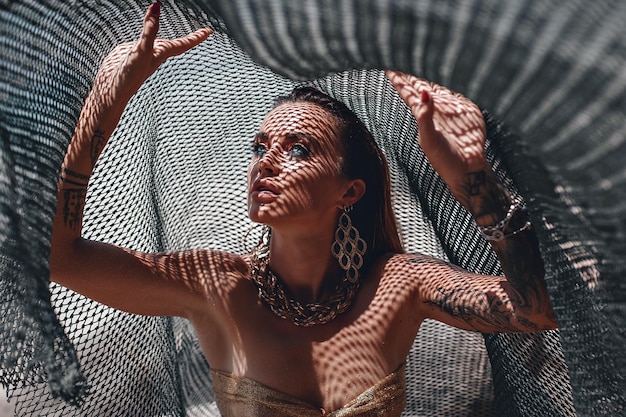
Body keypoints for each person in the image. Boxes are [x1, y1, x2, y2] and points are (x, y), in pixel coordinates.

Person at [50, 3, 557, 416]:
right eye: (259, 146)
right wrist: (103, 102)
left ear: (349, 191)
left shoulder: (398, 285)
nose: (265, 163)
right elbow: (60, 258)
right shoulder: (219, 285)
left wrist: (474, 179)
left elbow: (535, 313)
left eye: (298, 150)